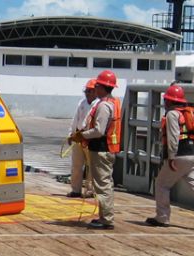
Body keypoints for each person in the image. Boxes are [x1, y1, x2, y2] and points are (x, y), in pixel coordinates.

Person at [145, 84, 194, 231]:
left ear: (170, 101)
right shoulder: (187, 113)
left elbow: (173, 137)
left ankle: (162, 217)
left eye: (166, 100)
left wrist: (171, 157)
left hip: (179, 156)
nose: (165, 103)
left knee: (161, 184)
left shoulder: (173, 114)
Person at [71, 70, 121, 229]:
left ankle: (106, 219)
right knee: (104, 184)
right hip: (103, 149)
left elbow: (99, 130)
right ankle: (104, 217)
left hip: (101, 149)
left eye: (96, 86)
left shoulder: (104, 106)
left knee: (103, 186)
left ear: (102, 87)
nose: (94, 89)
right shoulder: (110, 103)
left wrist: (82, 136)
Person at [66, 79, 98, 198]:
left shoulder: (98, 104)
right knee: (76, 164)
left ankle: (90, 190)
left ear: (96, 92)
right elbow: (75, 119)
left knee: (91, 166)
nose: (88, 93)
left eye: (90, 91)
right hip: (79, 137)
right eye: (87, 91)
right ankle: (76, 189)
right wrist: (71, 134)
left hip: (90, 138)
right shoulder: (82, 103)